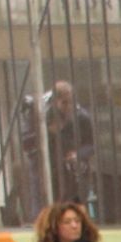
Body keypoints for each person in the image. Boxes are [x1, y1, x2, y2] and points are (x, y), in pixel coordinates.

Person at [42, 80, 96, 209]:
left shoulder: (82, 117)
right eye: (64, 103)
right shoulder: (48, 117)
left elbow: (91, 145)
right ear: (55, 102)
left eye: (71, 101)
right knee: (57, 206)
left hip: (78, 170)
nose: (69, 106)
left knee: (78, 205)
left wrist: (78, 154)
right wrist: (52, 133)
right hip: (55, 170)